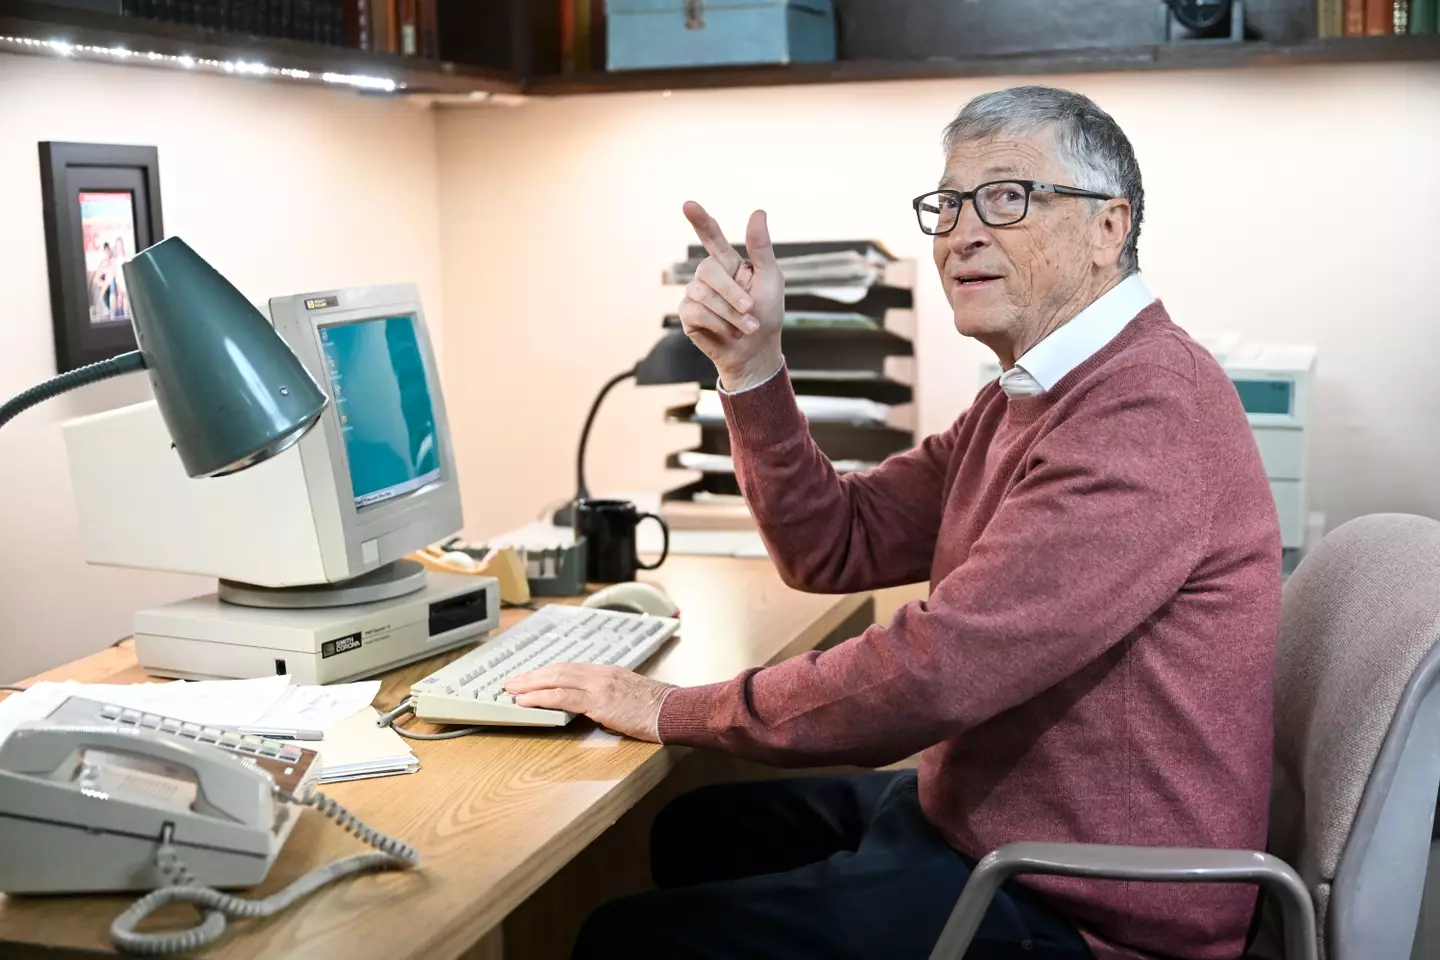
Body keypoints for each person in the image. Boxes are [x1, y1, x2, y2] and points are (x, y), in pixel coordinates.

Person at [507, 85, 1282, 960]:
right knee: (692, 832)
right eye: (948, 205)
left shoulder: (1145, 410)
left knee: (628, 940)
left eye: (1006, 197)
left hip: (1086, 901)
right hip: (984, 823)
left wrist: (675, 709)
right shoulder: (1029, 394)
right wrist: (752, 367)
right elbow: (835, 542)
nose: (961, 234)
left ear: (1110, 227)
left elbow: (938, 671)